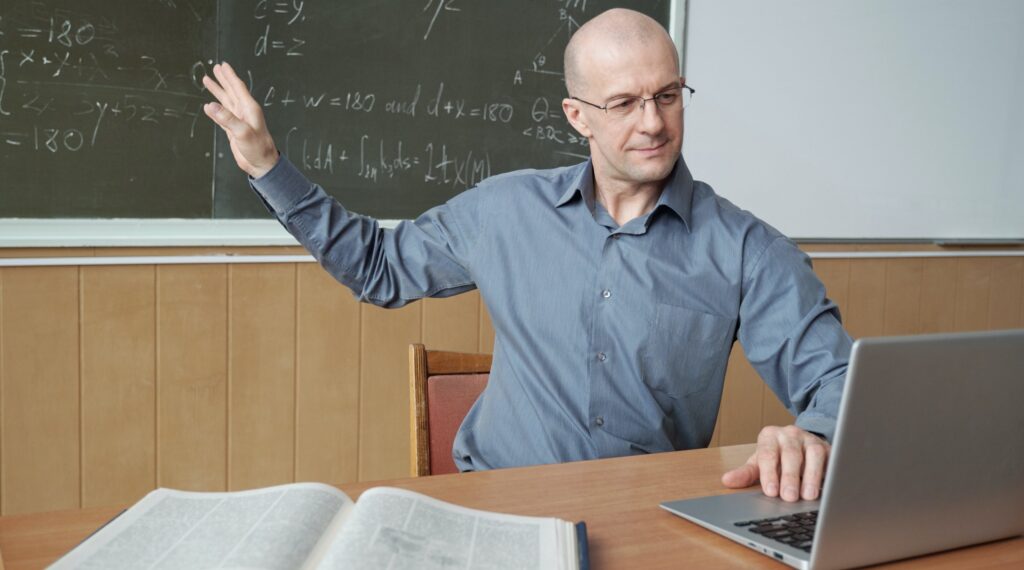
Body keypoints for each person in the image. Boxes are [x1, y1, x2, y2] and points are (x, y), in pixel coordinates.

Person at [202, 8, 851, 503]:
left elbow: (838, 380)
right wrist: (267, 166)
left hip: (644, 515)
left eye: (667, 95)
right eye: (623, 103)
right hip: (492, 505)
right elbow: (378, 268)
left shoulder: (746, 250)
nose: (652, 122)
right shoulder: (504, 211)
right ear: (578, 116)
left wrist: (813, 434)